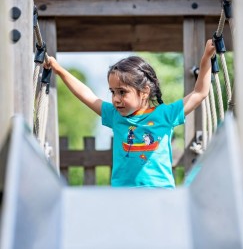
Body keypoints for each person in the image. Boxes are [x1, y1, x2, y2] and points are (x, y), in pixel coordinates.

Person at [47, 39, 215, 188]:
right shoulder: (115, 116)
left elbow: (199, 93)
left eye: (122, 92)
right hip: (124, 194)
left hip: (159, 192)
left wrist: (206, 58)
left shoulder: (165, 114)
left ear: (144, 91)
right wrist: (59, 69)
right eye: (112, 92)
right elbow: (85, 94)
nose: (116, 99)